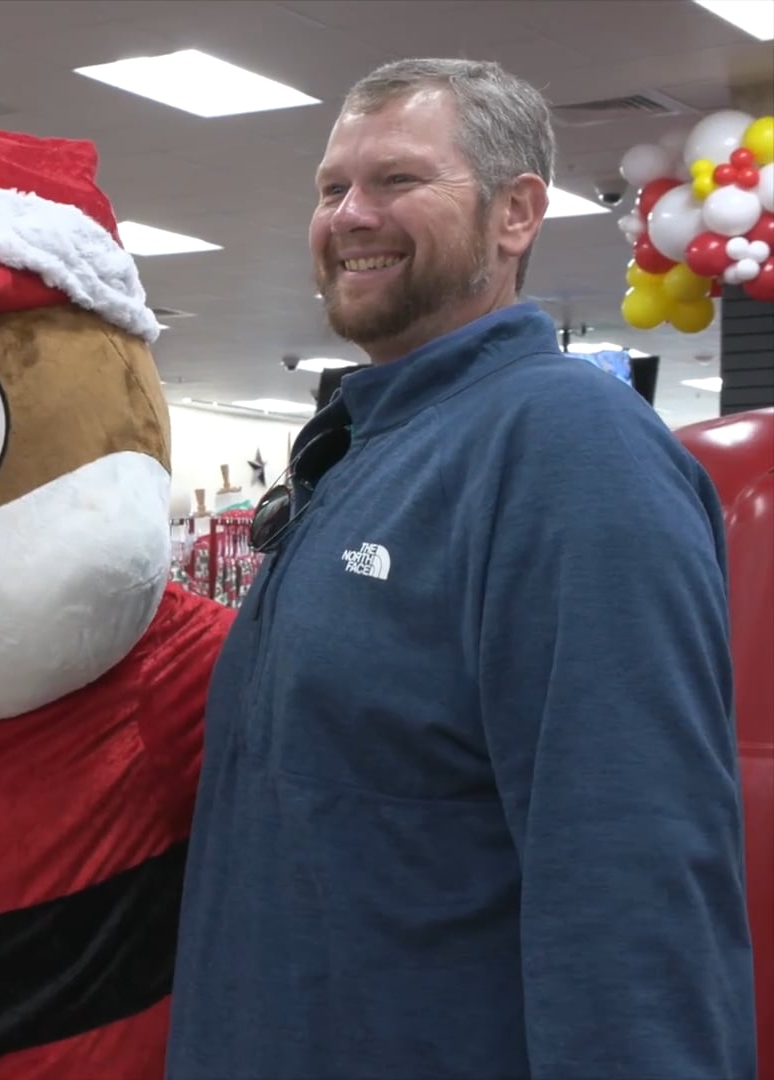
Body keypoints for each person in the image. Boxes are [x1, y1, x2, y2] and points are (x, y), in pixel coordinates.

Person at [166, 59, 757, 1080]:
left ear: (517, 212)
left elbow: (634, 885)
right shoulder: (365, 450)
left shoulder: (569, 449)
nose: (351, 214)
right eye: (331, 187)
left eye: (397, 181)